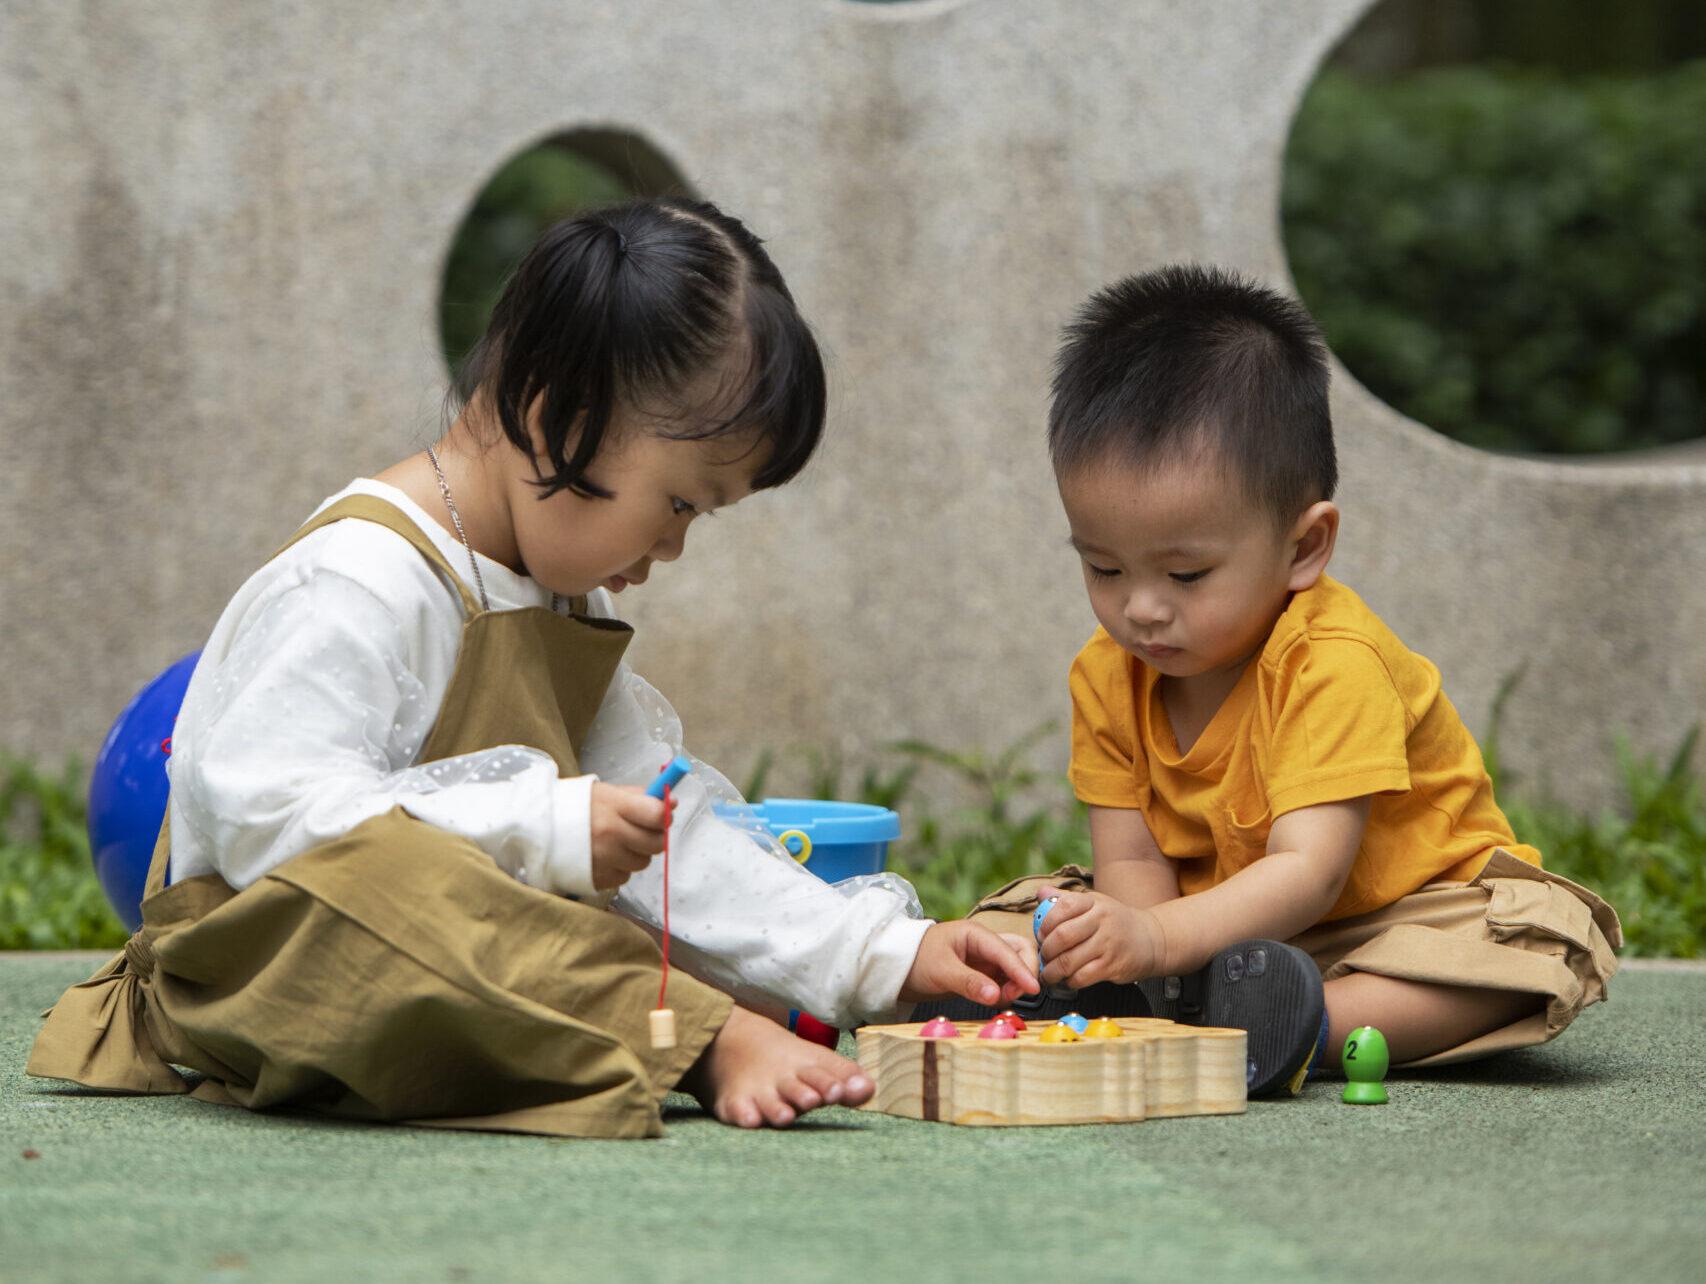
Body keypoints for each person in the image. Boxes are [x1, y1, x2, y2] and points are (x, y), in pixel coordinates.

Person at [28, 197, 1037, 1136]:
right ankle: (697, 1034)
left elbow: (669, 837)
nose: (675, 548)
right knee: (411, 890)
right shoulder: (359, 578)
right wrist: (539, 824)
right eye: (679, 502)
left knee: (642, 903)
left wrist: (881, 952)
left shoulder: (555, 594)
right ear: (557, 421)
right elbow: (268, 828)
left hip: (473, 962)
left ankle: (709, 1010)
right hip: (278, 969)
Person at [924, 264, 1620, 1097]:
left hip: (1393, 923)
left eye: (1186, 576)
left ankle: (1307, 1028)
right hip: (1215, 930)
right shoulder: (1108, 674)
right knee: (1027, 918)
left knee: (1538, 942)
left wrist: (1155, 936)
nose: (1141, 611)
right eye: (1105, 567)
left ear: (1303, 548)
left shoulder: (1332, 662)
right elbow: (1131, 865)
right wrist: (1124, 936)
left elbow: (1309, 874)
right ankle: (1137, 1003)